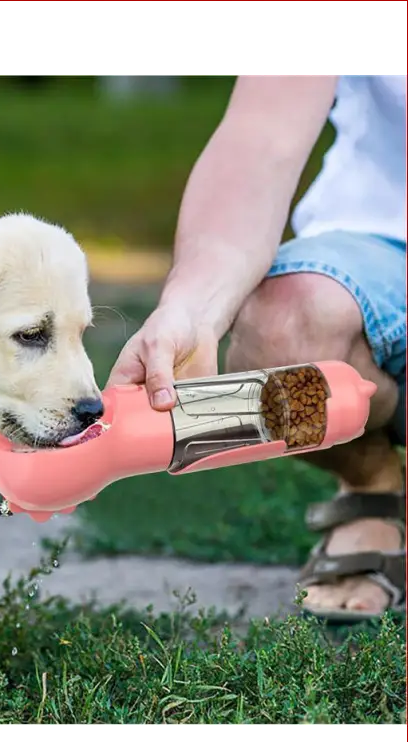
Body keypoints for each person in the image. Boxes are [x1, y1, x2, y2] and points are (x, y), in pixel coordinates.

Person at [107, 74, 406, 621]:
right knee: (285, 333)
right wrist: (193, 309)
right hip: (382, 238)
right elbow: (260, 137)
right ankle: (377, 487)